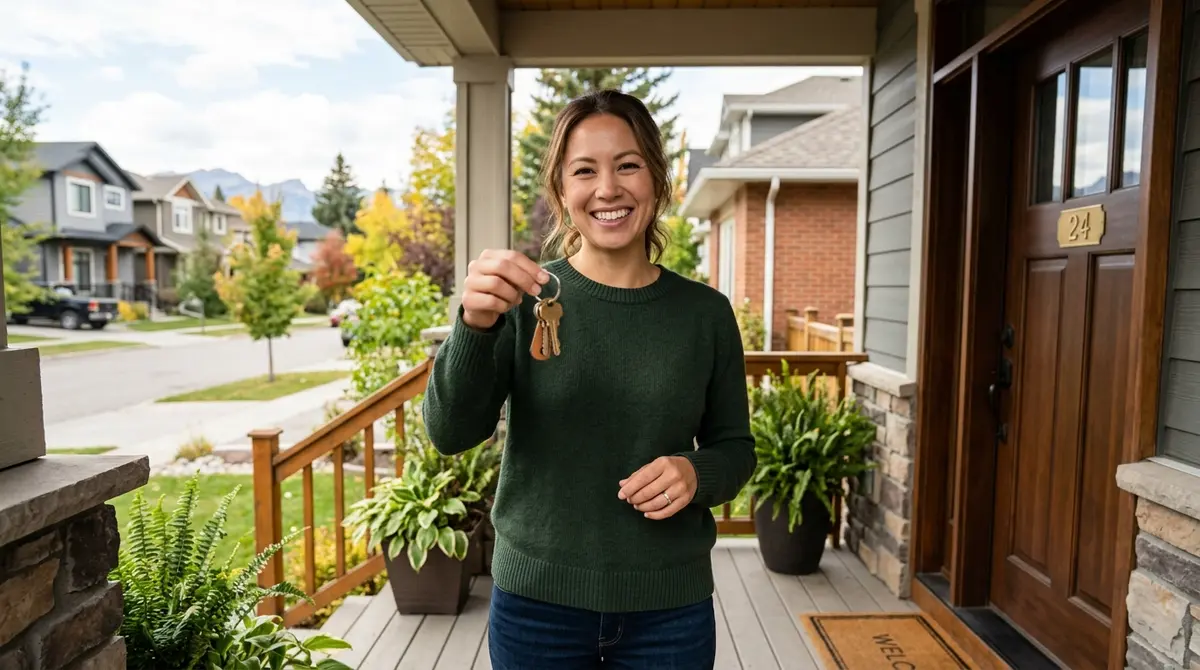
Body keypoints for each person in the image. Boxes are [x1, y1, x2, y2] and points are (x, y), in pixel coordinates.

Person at [422, 89, 757, 670]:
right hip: (536, 611)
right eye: (585, 170)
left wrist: (694, 471)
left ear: (657, 179)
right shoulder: (521, 299)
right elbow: (450, 432)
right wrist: (474, 326)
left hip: (669, 612)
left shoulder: (705, 314)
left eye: (628, 165)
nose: (608, 189)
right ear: (561, 192)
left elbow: (736, 450)